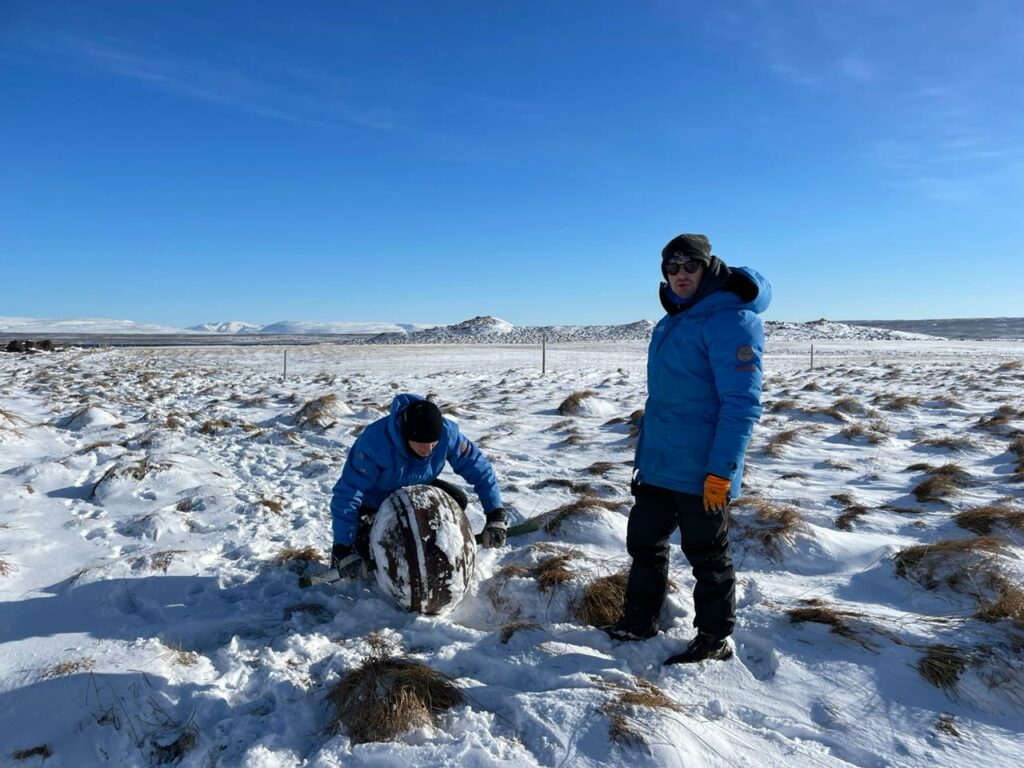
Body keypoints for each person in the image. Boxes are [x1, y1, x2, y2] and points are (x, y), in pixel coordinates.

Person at [606, 233, 771, 664]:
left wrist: (723, 470)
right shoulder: (674, 319)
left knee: (707, 556)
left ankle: (714, 638)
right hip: (660, 464)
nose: (680, 276)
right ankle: (639, 621)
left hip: (703, 470)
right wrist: (644, 459)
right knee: (644, 545)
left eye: (689, 267)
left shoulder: (731, 320)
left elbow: (741, 404)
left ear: (707, 267)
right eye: (672, 269)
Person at [329, 393, 507, 574]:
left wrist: (495, 514)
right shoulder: (375, 443)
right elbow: (349, 492)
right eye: (421, 443)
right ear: (406, 434)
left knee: (456, 500)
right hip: (374, 500)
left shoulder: (446, 434)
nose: (428, 449)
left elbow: (479, 468)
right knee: (368, 553)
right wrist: (342, 547)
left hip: (416, 488)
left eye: (433, 443)